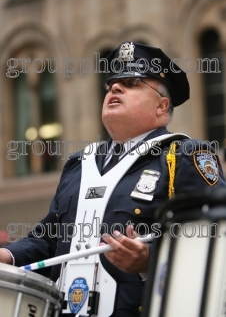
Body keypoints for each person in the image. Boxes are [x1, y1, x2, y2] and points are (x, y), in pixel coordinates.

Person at [0, 42, 225, 317]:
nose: (115, 89)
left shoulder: (183, 154)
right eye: (112, 84)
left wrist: (147, 259)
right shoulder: (79, 163)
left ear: (161, 106)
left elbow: (211, 240)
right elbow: (49, 241)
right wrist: (8, 256)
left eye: (132, 83)